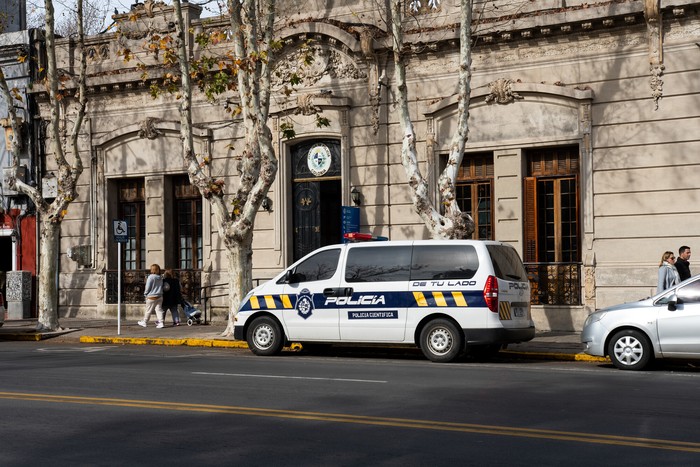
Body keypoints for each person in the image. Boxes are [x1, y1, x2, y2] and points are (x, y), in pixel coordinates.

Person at [139, 263, 165, 329]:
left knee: (148, 310)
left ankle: (144, 322)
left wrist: (145, 294)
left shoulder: (151, 277)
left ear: (152, 270)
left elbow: (148, 287)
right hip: (159, 296)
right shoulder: (160, 277)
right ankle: (161, 322)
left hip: (151, 296)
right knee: (159, 310)